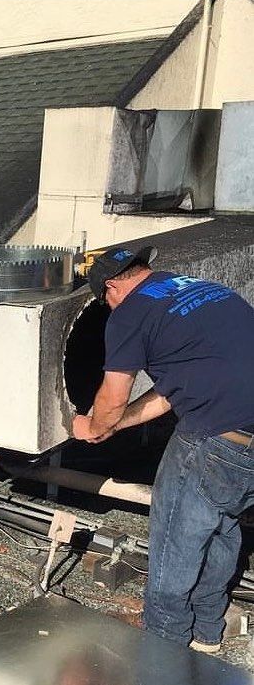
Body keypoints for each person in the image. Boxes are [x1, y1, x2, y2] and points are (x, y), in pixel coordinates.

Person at [72, 246, 254, 652]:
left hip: (217, 433)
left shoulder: (130, 313)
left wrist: (93, 426)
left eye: (106, 301)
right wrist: (114, 428)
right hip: (247, 434)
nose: (109, 308)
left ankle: (164, 647)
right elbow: (172, 390)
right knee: (222, 523)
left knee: (175, 535)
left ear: (112, 287)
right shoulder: (202, 289)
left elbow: (114, 396)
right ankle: (207, 633)